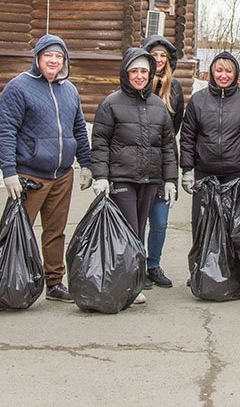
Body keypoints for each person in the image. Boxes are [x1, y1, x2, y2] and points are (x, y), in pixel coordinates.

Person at [0, 34, 93, 303]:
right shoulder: (18, 88)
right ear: (37, 58)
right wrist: (9, 172)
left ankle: (54, 282)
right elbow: (6, 132)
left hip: (61, 175)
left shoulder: (69, 90)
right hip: (29, 176)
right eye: (48, 55)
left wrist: (86, 164)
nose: (53, 60)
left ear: (64, 61)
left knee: (55, 231)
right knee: (18, 230)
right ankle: (14, 281)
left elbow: (79, 130)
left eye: (58, 56)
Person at [90, 48, 178, 305]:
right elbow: (100, 142)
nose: (139, 76)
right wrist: (101, 176)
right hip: (122, 179)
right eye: (134, 71)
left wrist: (170, 179)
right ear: (125, 73)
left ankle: (132, 281)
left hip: (150, 179)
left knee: (139, 229)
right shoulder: (111, 103)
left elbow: (167, 146)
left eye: (144, 71)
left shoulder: (158, 106)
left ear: (151, 75)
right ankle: (126, 283)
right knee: (128, 231)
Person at [179, 51, 240, 232]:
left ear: (235, 74)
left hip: (237, 175)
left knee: (233, 229)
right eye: (219, 70)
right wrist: (187, 170)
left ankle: (233, 262)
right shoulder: (198, 100)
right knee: (203, 226)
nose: (223, 75)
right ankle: (202, 261)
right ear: (212, 72)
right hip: (205, 175)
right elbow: (188, 137)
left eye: (228, 71)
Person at [139, 36, 185, 289]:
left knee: (160, 220)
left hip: (164, 162)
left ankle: (153, 265)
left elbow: (174, 129)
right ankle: (137, 265)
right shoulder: (136, 84)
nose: (158, 60)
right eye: (154, 55)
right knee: (139, 219)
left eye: (163, 56)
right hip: (138, 165)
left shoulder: (175, 88)